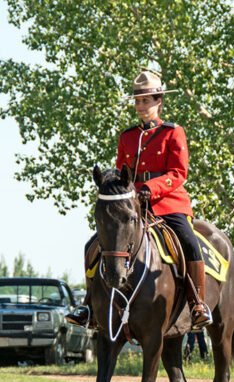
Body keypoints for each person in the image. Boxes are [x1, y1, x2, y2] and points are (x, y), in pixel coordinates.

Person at [67, 71, 212, 329]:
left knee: (190, 242)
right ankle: (88, 305)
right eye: (137, 101)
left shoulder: (173, 132)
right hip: (132, 207)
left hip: (169, 203)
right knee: (93, 245)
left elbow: (178, 173)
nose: (141, 106)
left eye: (146, 101)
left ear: (159, 102)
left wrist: (151, 188)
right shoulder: (127, 136)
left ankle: (197, 303)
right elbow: (122, 174)